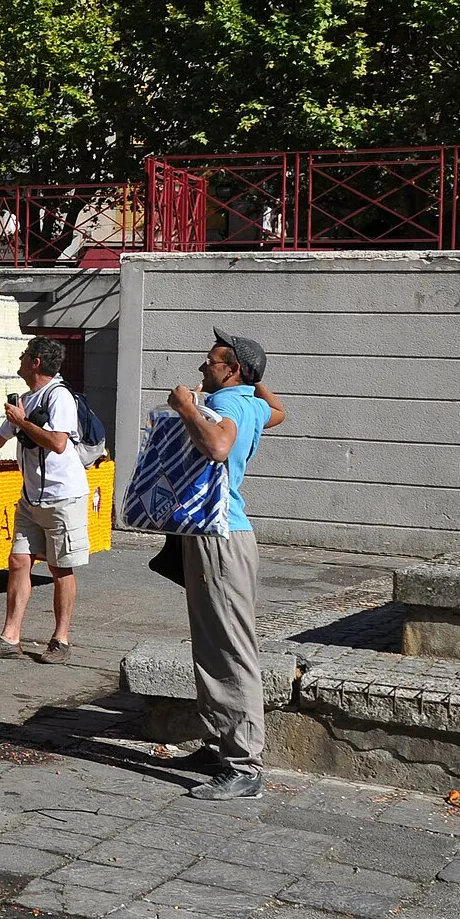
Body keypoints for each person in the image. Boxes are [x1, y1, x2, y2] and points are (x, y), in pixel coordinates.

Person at [169, 329, 285, 801]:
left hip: (221, 535)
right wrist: (253, 380)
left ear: (232, 369)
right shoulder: (251, 402)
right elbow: (280, 411)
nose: (202, 368)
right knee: (212, 642)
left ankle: (244, 765)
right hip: (217, 534)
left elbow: (217, 447)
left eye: (212, 361)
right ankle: (220, 742)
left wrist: (187, 407)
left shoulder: (231, 407)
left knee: (231, 647)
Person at [0, 337, 88, 664]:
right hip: (31, 497)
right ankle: (10, 637)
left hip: (63, 496)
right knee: (18, 561)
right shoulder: (26, 399)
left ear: (37, 362)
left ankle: (61, 640)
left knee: (60, 569)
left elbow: (57, 443)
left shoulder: (60, 396)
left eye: (26, 355)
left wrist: (22, 422)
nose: (21, 358)